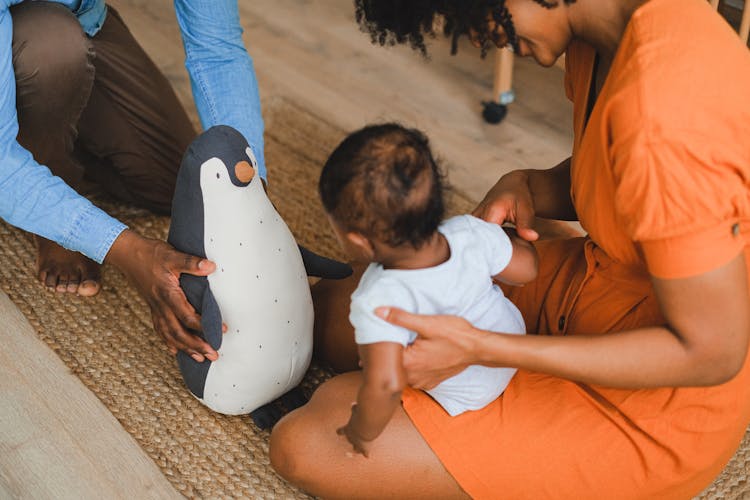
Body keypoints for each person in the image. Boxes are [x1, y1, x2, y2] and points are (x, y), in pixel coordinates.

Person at [269, 0, 750, 498]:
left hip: (654, 403)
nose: (478, 39)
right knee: (324, 309)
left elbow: (712, 354)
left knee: (308, 442)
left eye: (471, 16)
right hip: (595, 286)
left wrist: (484, 348)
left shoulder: (668, 108)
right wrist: (527, 185)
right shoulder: (602, 34)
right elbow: (623, 173)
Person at [2, 0, 265, 363]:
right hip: (42, 40)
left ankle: (51, 137)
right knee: (51, 45)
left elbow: (218, 50)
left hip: (87, 22)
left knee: (186, 182)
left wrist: (252, 187)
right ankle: (51, 182)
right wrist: (131, 251)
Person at [318, 123, 537, 456]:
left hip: (463, 394)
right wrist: (517, 241)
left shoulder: (377, 298)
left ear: (358, 241)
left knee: (329, 334)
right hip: (512, 342)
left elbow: (386, 383)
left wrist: (361, 430)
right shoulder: (470, 232)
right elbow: (526, 272)